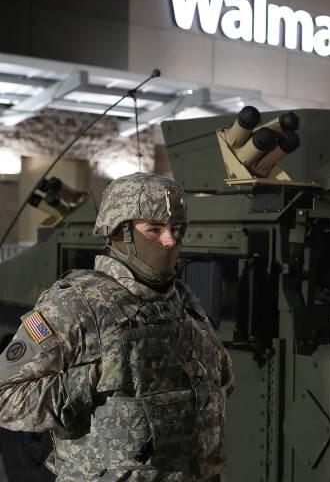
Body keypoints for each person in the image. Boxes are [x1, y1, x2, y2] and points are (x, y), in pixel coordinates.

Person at [0, 172, 234, 482]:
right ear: (121, 233)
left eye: (177, 229)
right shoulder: (75, 305)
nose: (170, 240)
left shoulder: (182, 301)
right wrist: (92, 380)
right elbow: (5, 395)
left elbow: (222, 380)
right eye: (155, 229)